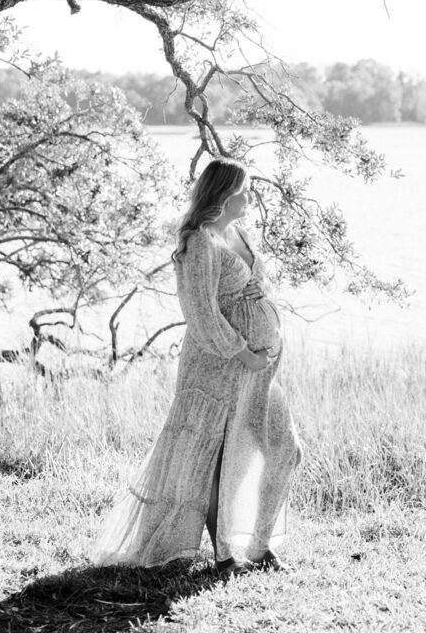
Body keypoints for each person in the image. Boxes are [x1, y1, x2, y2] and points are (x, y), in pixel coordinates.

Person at [88, 158, 302, 577]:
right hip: (218, 369)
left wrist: (267, 342)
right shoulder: (200, 243)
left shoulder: (238, 233)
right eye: (243, 189)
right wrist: (245, 352)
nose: (249, 196)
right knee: (216, 461)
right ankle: (227, 555)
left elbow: (252, 292)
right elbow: (201, 314)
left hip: (260, 369)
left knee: (285, 449)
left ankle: (258, 545)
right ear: (222, 194)